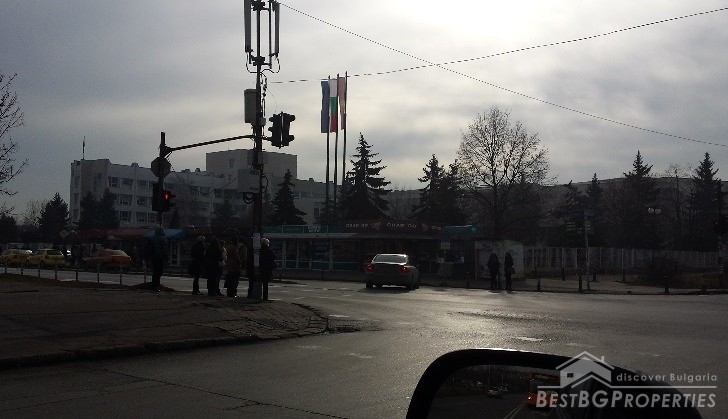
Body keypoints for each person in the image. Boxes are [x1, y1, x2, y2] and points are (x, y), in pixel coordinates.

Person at [145, 227, 168, 292]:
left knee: (155, 272)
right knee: (159, 272)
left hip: (153, 258)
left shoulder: (151, 238)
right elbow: (164, 250)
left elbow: (147, 248)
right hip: (160, 258)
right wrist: (166, 257)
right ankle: (157, 286)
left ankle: (154, 286)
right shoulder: (163, 239)